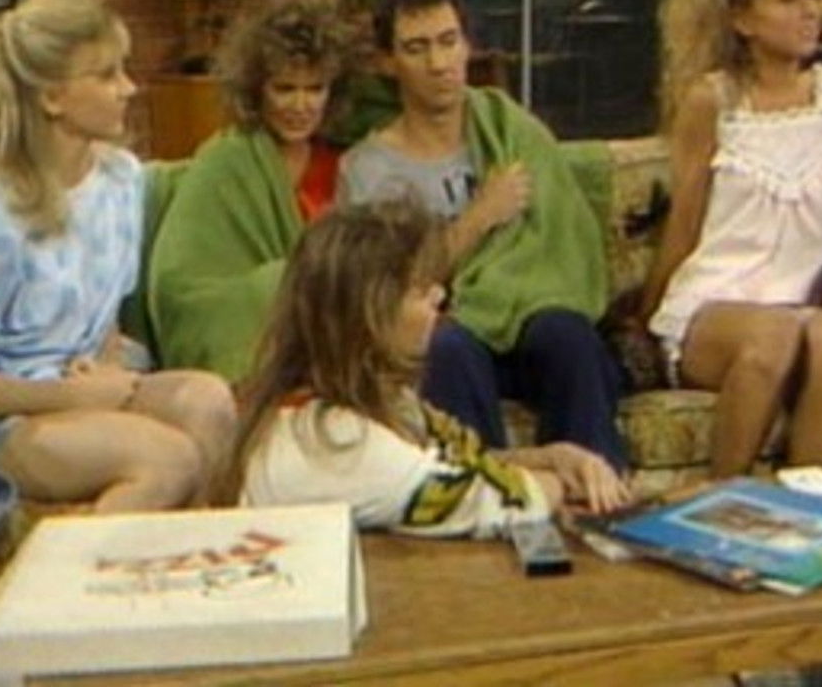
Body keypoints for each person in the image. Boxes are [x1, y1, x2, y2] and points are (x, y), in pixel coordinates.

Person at [0, 0, 236, 512]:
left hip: (86, 385)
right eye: (106, 75)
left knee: (209, 402)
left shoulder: (120, 180)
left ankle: (195, 555)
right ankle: (84, 567)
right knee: (168, 458)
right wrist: (68, 397)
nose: (128, 88)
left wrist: (105, 370)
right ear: (51, 97)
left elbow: (104, 318)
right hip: (1, 421)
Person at [337, 0, 628, 473]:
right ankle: (484, 492)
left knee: (568, 334)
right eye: (417, 48)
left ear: (468, 46)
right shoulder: (368, 170)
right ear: (387, 62)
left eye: (449, 41)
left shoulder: (508, 128)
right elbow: (385, 294)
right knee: (447, 344)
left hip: (519, 319)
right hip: (446, 339)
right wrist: (478, 218)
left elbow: (556, 240)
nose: (439, 63)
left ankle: (596, 488)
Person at [636, 0, 822, 479]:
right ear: (742, 19)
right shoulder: (713, 101)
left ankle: (797, 507)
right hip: (713, 309)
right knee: (772, 336)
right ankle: (722, 499)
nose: (809, 10)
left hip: (797, 303)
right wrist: (646, 316)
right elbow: (685, 223)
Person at [221, 199, 631, 534]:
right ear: (369, 318)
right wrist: (566, 486)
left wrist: (553, 457)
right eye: (419, 290)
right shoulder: (337, 441)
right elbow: (492, 501)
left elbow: (462, 464)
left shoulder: (379, 401)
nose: (439, 296)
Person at [148, 0, 359, 383]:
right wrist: (290, 285)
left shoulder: (344, 163)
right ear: (255, 88)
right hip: (249, 353)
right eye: (285, 88)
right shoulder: (225, 160)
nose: (301, 105)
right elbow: (181, 288)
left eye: (315, 89)